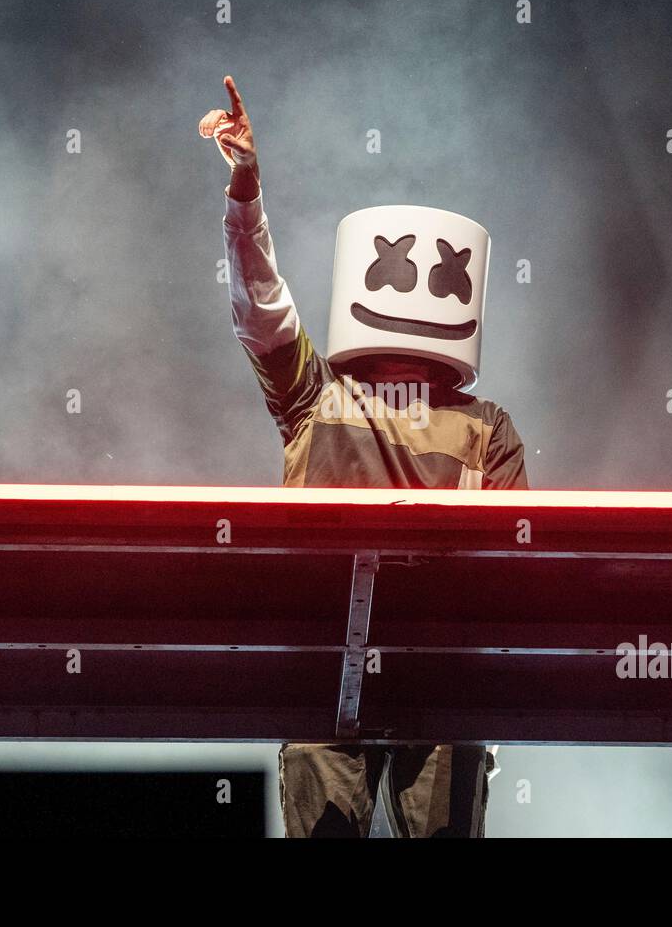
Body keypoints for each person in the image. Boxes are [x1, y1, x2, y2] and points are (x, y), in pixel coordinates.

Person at [199, 75, 528, 837]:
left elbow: (260, 307)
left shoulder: (315, 398)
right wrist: (244, 191)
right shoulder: (486, 428)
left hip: (331, 680)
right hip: (431, 688)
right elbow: (516, 576)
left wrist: (246, 192)